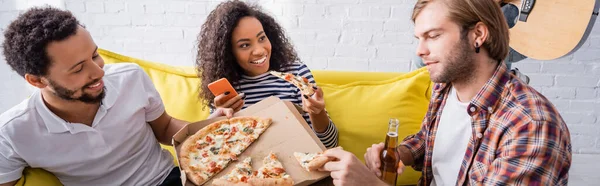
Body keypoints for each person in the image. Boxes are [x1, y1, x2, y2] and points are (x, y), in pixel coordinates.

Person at [321, 0, 571, 185]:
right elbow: (430, 141)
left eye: (433, 36)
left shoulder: (531, 124)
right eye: (419, 38)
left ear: (478, 35)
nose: (420, 50)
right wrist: (402, 154)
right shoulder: (446, 87)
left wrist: (371, 184)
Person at [0, 7, 233, 186]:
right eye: (79, 68)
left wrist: (211, 128)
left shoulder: (129, 77)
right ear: (37, 81)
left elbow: (165, 128)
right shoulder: (12, 133)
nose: (99, 72)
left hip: (167, 179)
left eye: (95, 55)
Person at [196, 0, 339, 148]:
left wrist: (317, 112)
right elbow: (212, 148)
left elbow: (330, 144)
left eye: (262, 38)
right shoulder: (226, 89)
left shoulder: (296, 74)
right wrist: (218, 118)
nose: (259, 50)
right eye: (245, 45)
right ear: (227, 52)